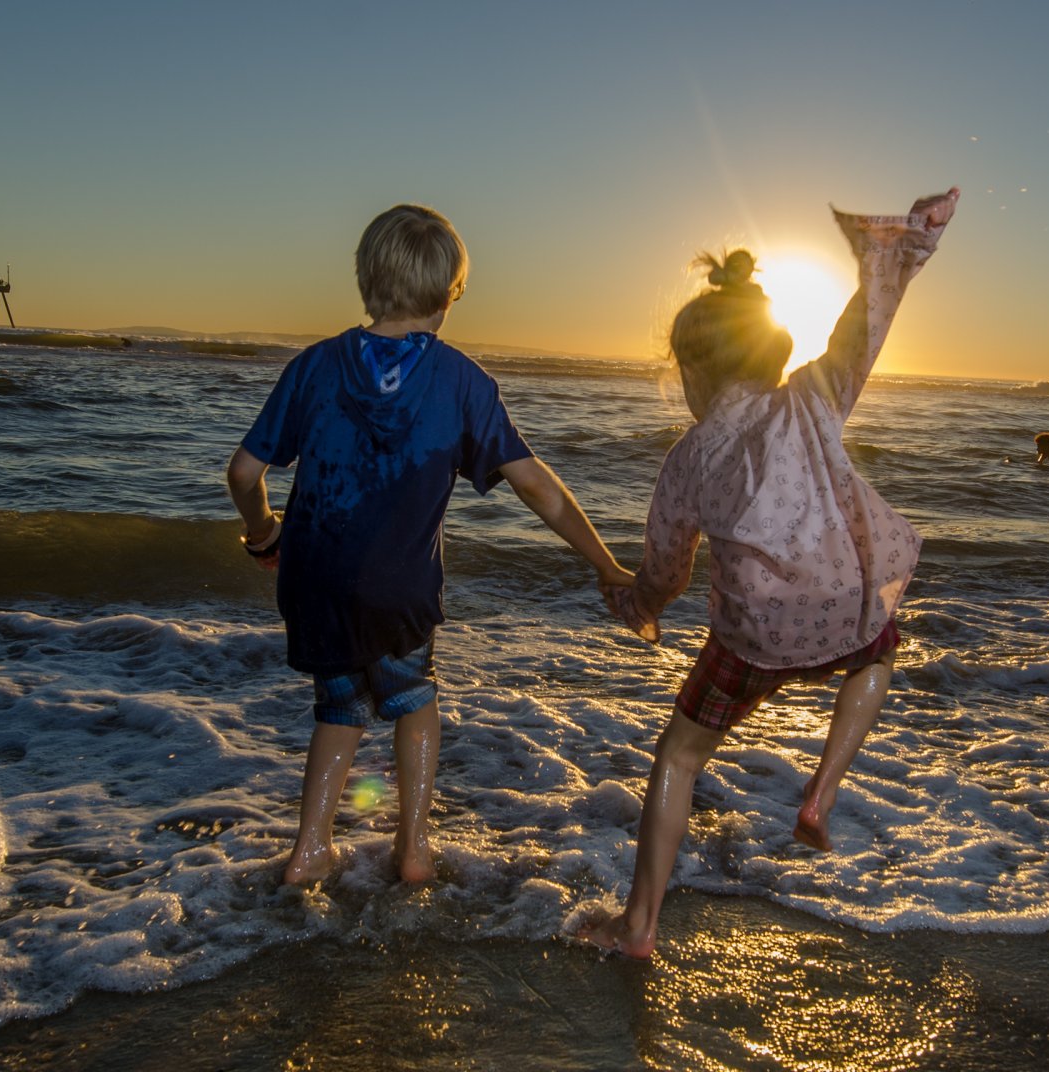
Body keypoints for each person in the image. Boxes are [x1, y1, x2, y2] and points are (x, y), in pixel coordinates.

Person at [577, 188, 961, 959]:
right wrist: (899, 250)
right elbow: (864, 330)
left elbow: (667, 572)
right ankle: (821, 792)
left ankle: (639, 926)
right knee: (881, 651)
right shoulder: (814, 399)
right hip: (845, 607)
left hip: (753, 634)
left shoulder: (686, 461)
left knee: (678, 758)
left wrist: (635, 602)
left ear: (688, 369)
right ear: (774, 352)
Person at [227, 203, 632, 887]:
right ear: (452, 294)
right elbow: (538, 489)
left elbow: (243, 472)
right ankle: (412, 851)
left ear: (363, 276)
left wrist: (265, 533)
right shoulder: (462, 382)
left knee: (339, 707)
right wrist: (607, 563)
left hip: (313, 581)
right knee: (413, 702)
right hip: (401, 589)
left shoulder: (314, 367)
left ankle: (310, 852)